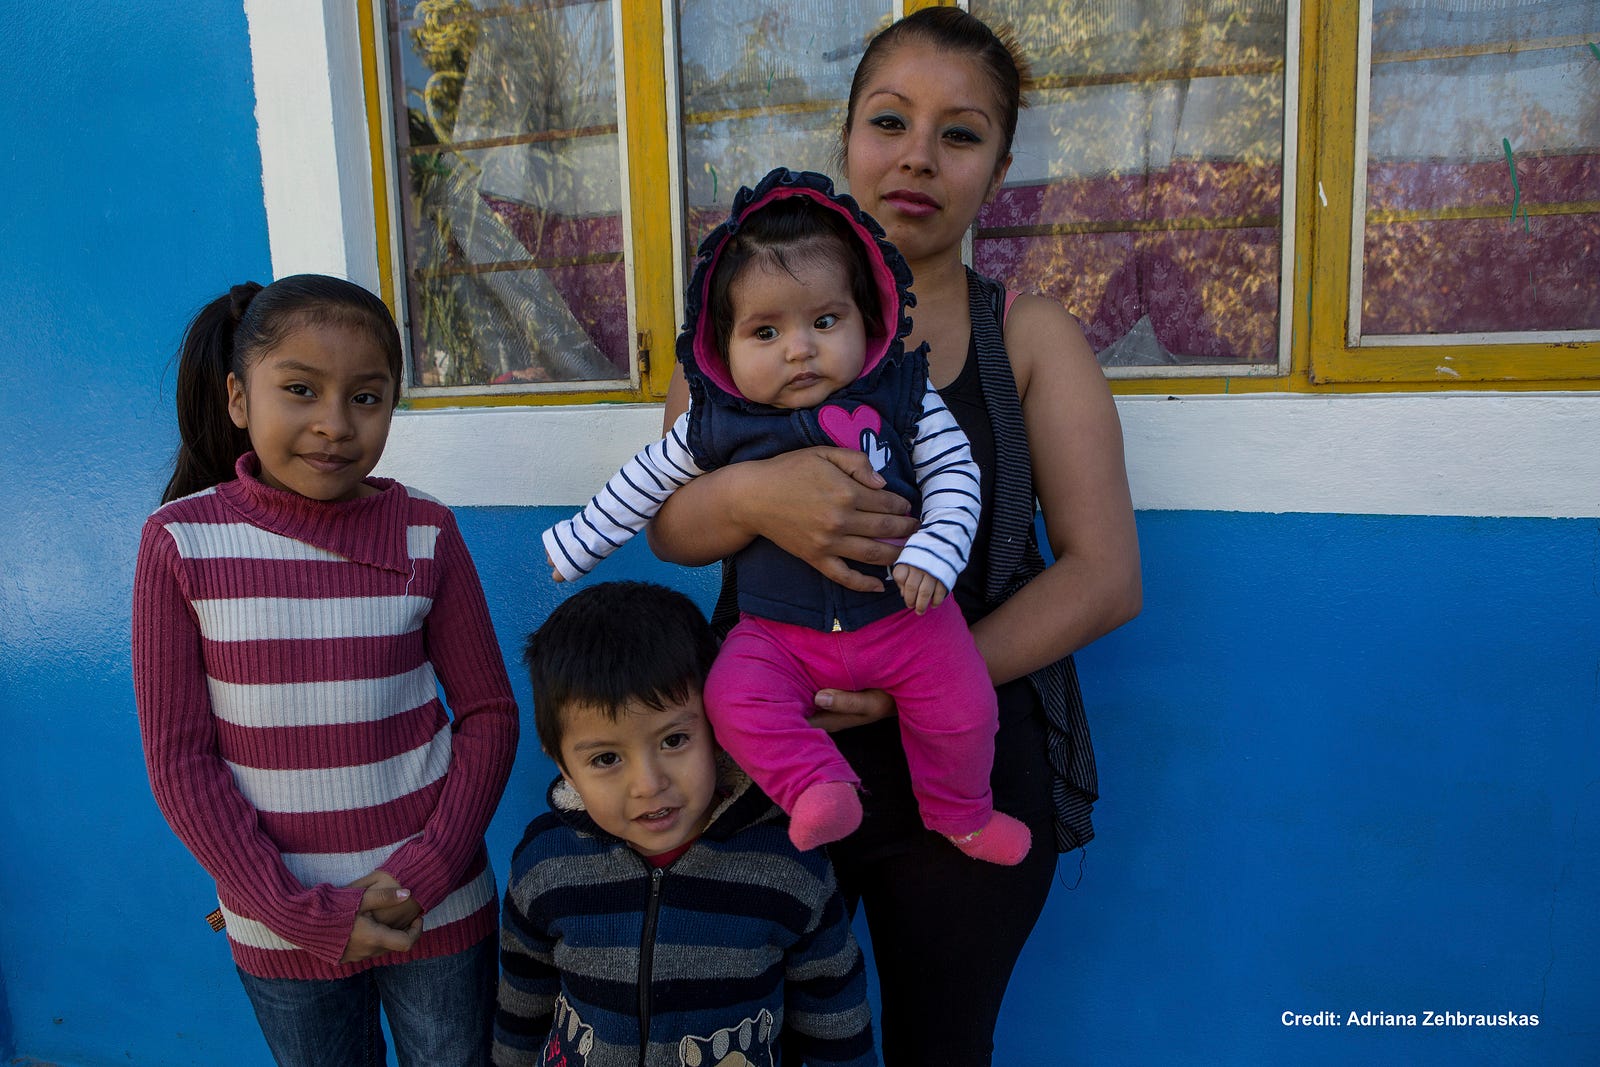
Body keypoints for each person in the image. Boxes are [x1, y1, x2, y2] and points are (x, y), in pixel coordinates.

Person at [648, 9, 1142, 1066]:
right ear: (846, 139)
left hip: (961, 767)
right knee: (750, 1043)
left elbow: (1105, 575)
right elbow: (670, 527)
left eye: (959, 134)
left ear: (996, 169)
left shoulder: (1028, 338)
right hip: (768, 757)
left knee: (942, 1046)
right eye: (889, 121)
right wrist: (757, 497)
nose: (918, 155)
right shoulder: (739, 328)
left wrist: (919, 676)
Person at [543, 167, 1029, 865]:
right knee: (731, 699)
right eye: (766, 331)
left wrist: (935, 552)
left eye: (825, 322)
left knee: (966, 710)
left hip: (907, 617)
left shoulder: (903, 395)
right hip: (779, 635)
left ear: (868, 316)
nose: (799, 349)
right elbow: (646, 480)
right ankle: (816, 787)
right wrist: (579, 541)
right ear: (724, 345)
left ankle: (964, 817)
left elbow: (956, 472)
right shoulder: (718, 421)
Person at [131, 274, 520, 1066]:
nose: (335, 425)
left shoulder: (427, 531)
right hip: (280, 925)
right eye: (300, 390)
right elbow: (181, 762)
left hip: (437, 908)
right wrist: (296, 911)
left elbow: (490, 715)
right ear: (238, 397)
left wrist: (426, 871)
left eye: (366, 397)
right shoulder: (180, 543)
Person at [495, 580, 876, 1067]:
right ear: (563, 765)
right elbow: (522, 1006)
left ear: (718, 726)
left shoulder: (789, 866)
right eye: (607, 758)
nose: (648, 784)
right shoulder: (544, 863)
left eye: (674, 741)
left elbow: (835, 1021)